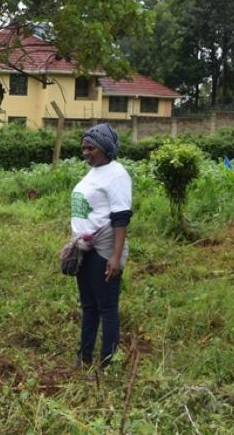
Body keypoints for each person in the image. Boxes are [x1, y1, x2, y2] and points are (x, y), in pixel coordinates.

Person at [71, 123, 132, 369]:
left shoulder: (117, 174)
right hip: (85, 249)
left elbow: (121, 217)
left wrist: (115, 258)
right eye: (84, 148)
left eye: (91, 148)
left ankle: (108, 363)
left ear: (105, 148)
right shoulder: (94, 172)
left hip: (103, 249)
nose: (86, 153)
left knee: (106, 308)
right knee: (88, 306)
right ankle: (84, 357)